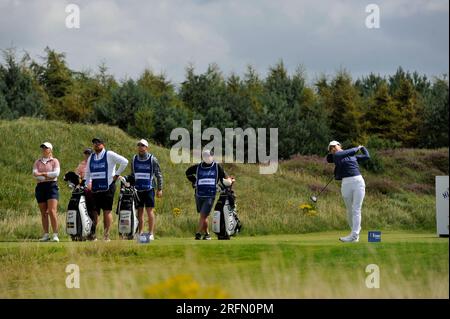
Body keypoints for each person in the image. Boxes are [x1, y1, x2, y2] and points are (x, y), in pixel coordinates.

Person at [83, 138, 128, 241]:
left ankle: (106, 236)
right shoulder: (92, 157)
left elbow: (124, 162)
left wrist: (116, 175)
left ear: (103, 144)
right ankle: (93, 235)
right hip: (95, 188)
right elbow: (88, 173)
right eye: (94, 143)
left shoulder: (109, 154)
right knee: (94, 212)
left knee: (107, 211)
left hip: (108, 187)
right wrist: (86, 184)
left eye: (98, 143)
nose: (96, 145)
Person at [327, 140, 370, 242]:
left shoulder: (352, 156)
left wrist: (363, 147)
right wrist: (357, 148)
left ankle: (354, 235)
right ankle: (355, 233)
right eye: (331, 148)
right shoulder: (336, 156)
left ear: (339, 145)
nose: (333, 148)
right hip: (346, 183)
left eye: (334, 146)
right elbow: (346, 152)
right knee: (349, 210)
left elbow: (367, 156)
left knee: (356, 209)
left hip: (358, 181)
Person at [185, 150, 228, 240]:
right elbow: (188, 172)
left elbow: (225, 178)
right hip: (199, 194)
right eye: (205, 156)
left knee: (203, 215)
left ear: (212, 157)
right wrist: (194, 181)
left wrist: (225, 184)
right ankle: (207, 234)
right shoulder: (198, 166)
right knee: (203, 215)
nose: (207, 157)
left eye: (208, 156)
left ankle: (198, 233)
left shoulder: (217, 167)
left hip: (210, 195)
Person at [131, 139, 163, 240]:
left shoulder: (152, 159)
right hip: (137, 190)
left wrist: (160, 188)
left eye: (143, 145)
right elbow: (133, 174)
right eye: (139, 145)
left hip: (149, 189)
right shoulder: (134, 159)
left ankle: (150, 233)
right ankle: (140, 233)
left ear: (147, 148)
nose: (140, 147)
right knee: (139, 212)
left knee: (149, 211)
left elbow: (159, 175)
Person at [32, 142, 60, 242]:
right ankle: (46, 234)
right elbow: (35, 174)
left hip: (52, 186)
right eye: (43, 148)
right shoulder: (37, 162)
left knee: (52, 211)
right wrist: (47, 175)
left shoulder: (55, 161)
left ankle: (55, 234)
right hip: (40, 187)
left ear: (50, 150)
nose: (44, 149)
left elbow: (56, 174)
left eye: (46, 148)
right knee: (43, 212)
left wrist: (43, 174)